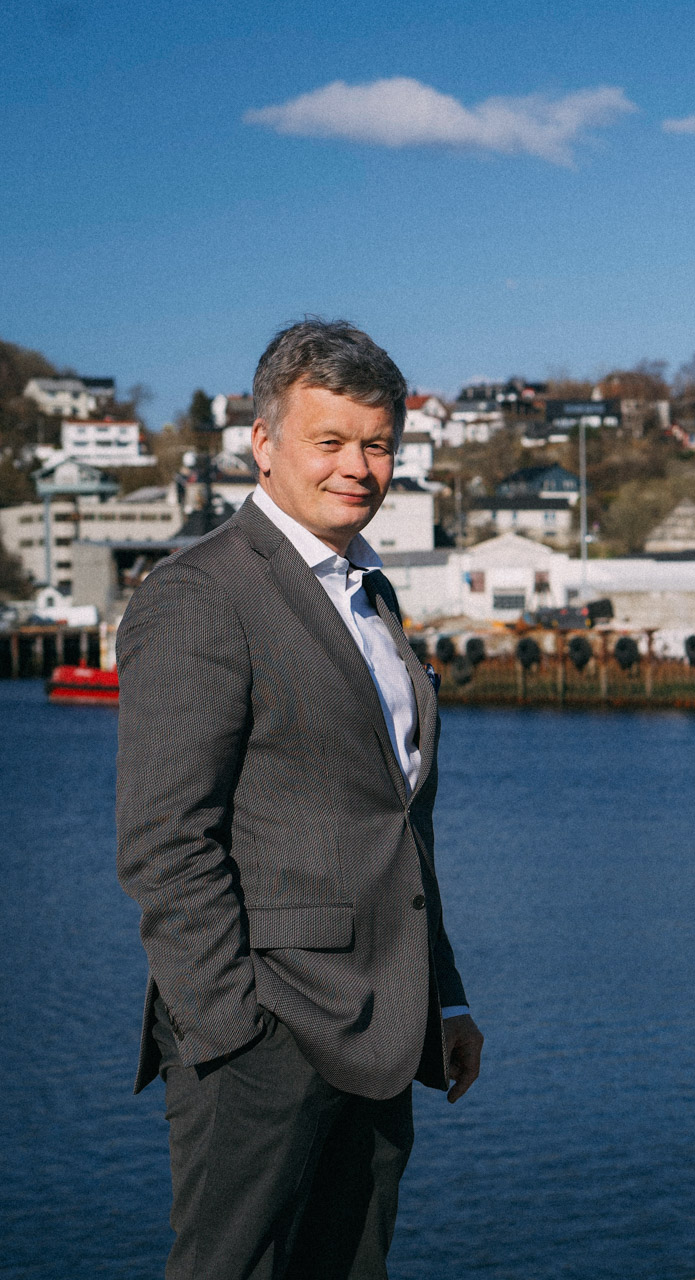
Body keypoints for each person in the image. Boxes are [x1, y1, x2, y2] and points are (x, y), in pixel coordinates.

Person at [117, 319, 483, 1279]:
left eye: (378, 444)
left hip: (386, 1024)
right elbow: (164, 840)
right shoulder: (201, 595)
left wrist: (444, 997)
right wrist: (232, 1028)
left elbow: (397, 826)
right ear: (264, 444)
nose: (358, 466)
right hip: (265, 1034)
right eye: (330, 441)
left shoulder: (369, 595)